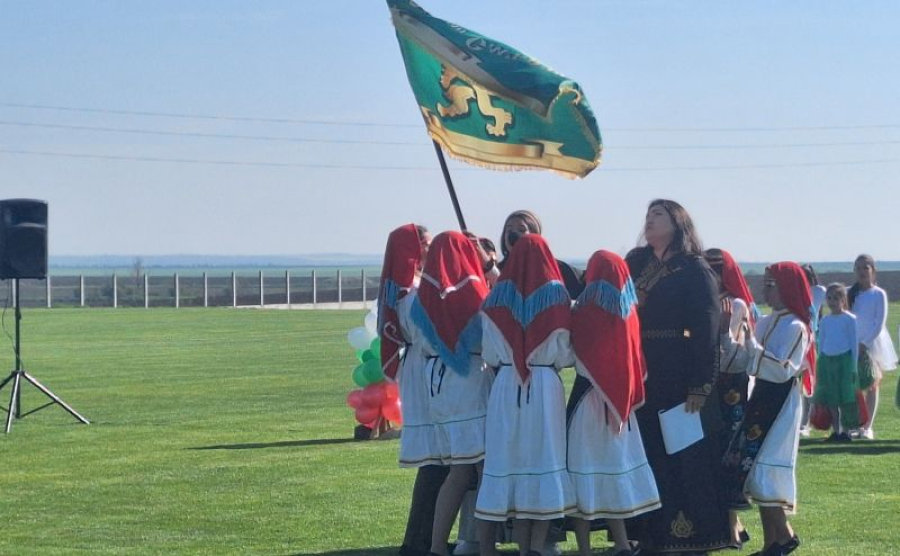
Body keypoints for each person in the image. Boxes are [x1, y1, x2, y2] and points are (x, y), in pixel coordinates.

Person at [624, 199, 730, 555]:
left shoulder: (694, 269)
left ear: (678, 223)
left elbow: (706, 328)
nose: (649, 219)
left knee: (685, 456)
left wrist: (700, 384)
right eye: (648, 214)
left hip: (679, 373)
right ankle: (650, 536)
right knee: (647, 452)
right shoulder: (636, 263)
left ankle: (691, 538)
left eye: (658, 214)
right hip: (641, 371)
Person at [476, 234, 575, 556]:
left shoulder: (494, 298)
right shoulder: (558, 296)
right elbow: (565, 355)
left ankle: (520, 546)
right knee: (545, 460)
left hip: (507, 383)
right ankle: (535, 546)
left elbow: (490, 352)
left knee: (509, 461)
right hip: (544, 383)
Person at [567, 250, 661, 556]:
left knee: (583, 471)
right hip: (620, 408)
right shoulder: (629, 311)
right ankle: (620, 542)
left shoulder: (584, 310)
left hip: (587, 401)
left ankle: (584, 547)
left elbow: (571, 353)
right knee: (613, 470)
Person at [407, 231, 493, 556]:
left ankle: (437, 545)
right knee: (483, 470)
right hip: (469, 383)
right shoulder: (472, 292)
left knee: (458, 470)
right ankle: (485, 546)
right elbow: (487, 339)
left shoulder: (422, 297)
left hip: (438, 385)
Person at [721, 262, 814, 556]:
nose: (765, 290)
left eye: (771, 284)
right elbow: (744, 360)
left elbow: (784, 369)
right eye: (765, 283)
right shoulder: (765, 322)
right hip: (761, 398)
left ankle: (784, 536)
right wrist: (727, 336)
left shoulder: (797, 327)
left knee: (763, 470)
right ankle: (772, 543)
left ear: (787, 288)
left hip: (781, 404)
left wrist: (753, 346)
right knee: (752, 469)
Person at [377, 224, 444, 556]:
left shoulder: (408, 289)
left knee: (437, 461)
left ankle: (424, 536)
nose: (430, 249)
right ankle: (419, 539)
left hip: (421, 367)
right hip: (424, 369)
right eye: (425, 244)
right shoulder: (410, 292)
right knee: (434, 460)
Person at [704, 248, 755, 548]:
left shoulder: (735, 305)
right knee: (710, 451)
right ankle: (725, 523)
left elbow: (736, 358)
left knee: (728, 451)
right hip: (709, 385)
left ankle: (732, 523)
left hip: (730, 387)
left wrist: (723, 333)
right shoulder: (705, 300)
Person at [478, 210, 585, 298]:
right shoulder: (497, 270)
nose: (513, 234)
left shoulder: (557, 269)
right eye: (509, 230)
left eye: (521, 229)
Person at [847, 254, 898, 440]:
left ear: (872, 271)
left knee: (871, 384)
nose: (862, 272)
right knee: (854, 386)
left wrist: (865, 343)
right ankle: (855, 424)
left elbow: (879, 322)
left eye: (865, 268)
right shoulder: (850, 293)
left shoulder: (878, 294)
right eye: (858, 268)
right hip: (852, 343)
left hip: (873, 343)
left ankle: (868, 427)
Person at [812, 283, 860, 441]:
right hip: (828, 361)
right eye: (829, 298)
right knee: (831, 398)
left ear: (843, 300)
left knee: (845, 397)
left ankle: (846, 431)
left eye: (836, 298)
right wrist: (820, 362)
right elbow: (821, 342)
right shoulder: (825, 321)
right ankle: (836, 430)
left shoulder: (850, 319)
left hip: (844, 361)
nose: (832, 302)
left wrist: (854, 366)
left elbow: (854, 343)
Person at [797, 264, 826, 437]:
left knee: (810, 381)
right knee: (799, 382)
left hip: (813, 340)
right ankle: (801, 420)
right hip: (800, 339)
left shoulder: (818, 291)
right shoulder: (796, 292)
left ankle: (806, 422)